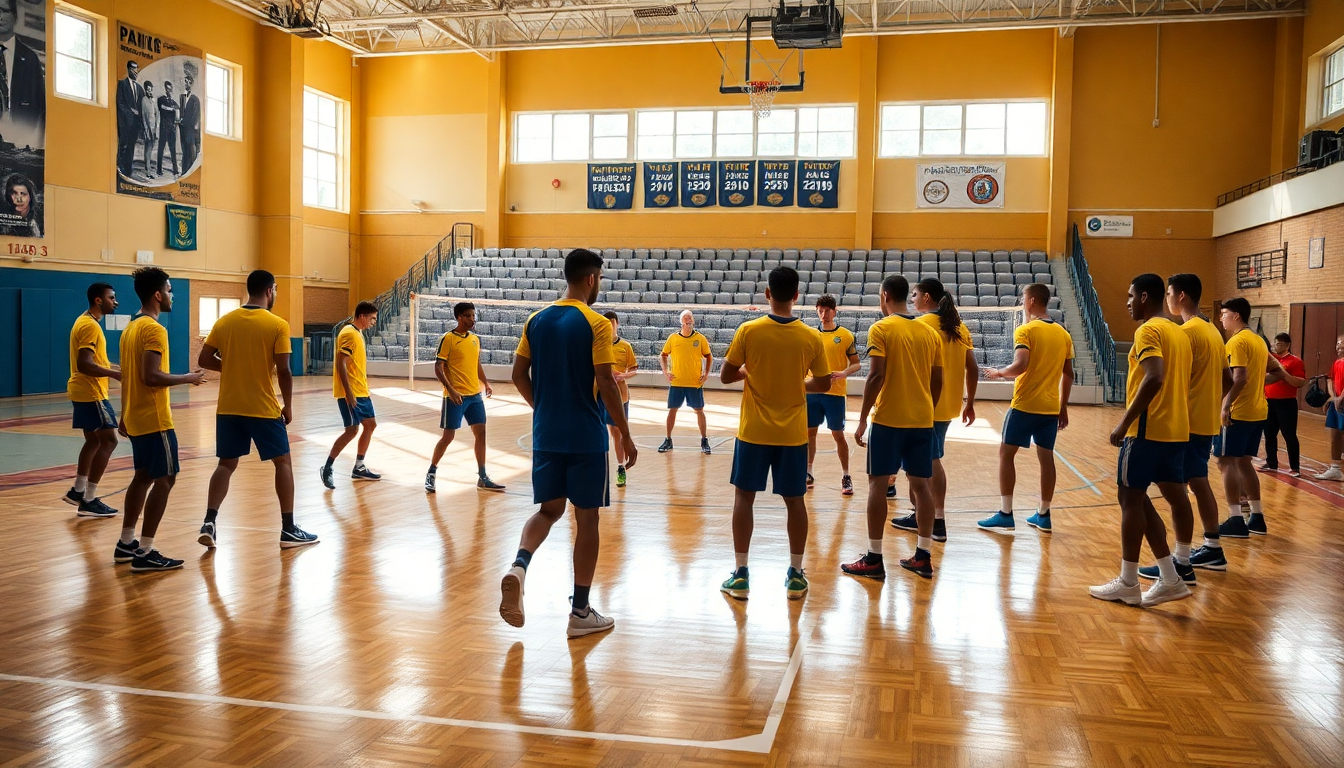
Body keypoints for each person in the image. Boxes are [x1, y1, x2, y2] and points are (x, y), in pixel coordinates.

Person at [498, 249, 637, 638]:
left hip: (546, 434)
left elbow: (518, 374)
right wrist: (625, 433)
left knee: (548, 510)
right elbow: (607, 382)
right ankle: (579, 612)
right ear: (592, 278)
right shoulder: (595, 323)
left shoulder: (536, 320)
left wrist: (543, 407)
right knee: (586, 519)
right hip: (586, 437)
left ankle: (519, 566)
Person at [719, 267, 831, 601]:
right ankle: (795, 576)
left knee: (744, 498)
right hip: (793, 435)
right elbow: (824, 383)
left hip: (753, 431)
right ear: (797, 295)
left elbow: (726, 376)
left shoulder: (749, 331)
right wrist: (799, 383)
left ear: (767, 293)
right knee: (795, 501)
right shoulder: (811, 337)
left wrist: (750, 371)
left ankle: (741, 575)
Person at [1090, 274, 1194, 606]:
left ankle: (1128, 582)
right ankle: (1169, 577)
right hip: (1175, 430)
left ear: (1145, 296)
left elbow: (1155, 377)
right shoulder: (1178, 333)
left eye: (1131, 296)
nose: (1128, 302)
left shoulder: (1148, 330)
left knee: (1129, 500)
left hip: (1148, 431)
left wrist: (1124, 421)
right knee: (1139, 500)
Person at [197, 270, 318, 549]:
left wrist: (232, 366)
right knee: (283, 462)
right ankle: (288, 529)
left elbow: (204, 358)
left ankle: (209, 521)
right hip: (262, 407)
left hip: (228, 407)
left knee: (226, 465)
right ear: (270, 290)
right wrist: (288, 405)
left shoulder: (225, 321)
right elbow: (285, 369)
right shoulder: (277, 324)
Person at [843, 275, 943, 580]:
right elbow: (937, 380)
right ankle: (922, 556)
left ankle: (874, 558)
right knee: (921, 486)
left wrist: (861, 419)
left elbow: (876, 376)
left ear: (885, 295)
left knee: (876, 484)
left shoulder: (882, 328)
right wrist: (927, 408)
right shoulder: (929, 332)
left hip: (888, 420)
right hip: (922, 419)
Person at [115, 267, 206, 572]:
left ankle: (126, 542)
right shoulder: (154, 330)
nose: (171, 295)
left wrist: (124, 412)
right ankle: (145, 551)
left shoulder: (130, 328)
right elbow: (150, 376)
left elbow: (128, 377)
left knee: (142, 478)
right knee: (166, 479)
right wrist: (188, 377)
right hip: (155, 419)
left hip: (136, 416)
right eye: (169, 289)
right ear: (157, 294)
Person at [978, 283, 1074, 533]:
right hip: (1050, 408)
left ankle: (1005, 513)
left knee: (1006, 454)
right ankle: (1043, 514)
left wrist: (998, 372)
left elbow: (1021, 365)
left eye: (1024, 297)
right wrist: (1063, 406)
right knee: (1046, 458)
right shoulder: (1063, 334)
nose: (1022, 301)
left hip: (1024, 405)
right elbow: (1069, 374)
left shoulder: (1026, 330)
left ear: (1031, 301)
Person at [892, 279, 978, 543]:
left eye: (915, 295)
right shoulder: (958, 327)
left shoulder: (920, 326)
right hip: (948, 405)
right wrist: (970, 402)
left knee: (930, 460)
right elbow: (972, 368)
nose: (912, 299)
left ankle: (937, 521)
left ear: (927, 297)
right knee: (928, 458)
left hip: (924, 404)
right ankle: (921, 514)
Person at [1157, 274, 1232, 573]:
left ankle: (1182, 560)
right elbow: (1227, 379)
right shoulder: (1213, 331)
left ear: (1182, 296)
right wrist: (1210, 401)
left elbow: (1172, 378)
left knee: (1179, 488)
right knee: (1198, 482)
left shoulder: (1187, 332)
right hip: (1204, 421)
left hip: (1186, 423)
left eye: (1169, 293)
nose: (1167, 299)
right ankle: (1212, 547)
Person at [426, 302, 505, 494]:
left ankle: (483, 477)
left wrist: (485, 383)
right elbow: (438, 367)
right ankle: (431, 472)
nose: (473, 319)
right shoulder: (448, 339)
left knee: (481, 434)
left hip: (474, 396)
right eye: (469, 316)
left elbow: (476, 363)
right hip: (455, 397)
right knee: (448, 437)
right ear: (459, 317)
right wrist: (451, 390)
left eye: (473, 315)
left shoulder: (475, 340)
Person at [1214, 298, 1274, 538]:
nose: (1221, 318)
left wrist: (1225, 405)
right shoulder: (1259, 340)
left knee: (1225, 462)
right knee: (1244, 462)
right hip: (1259, 410)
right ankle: (1257, 517)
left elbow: (1239, 378)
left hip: (1239, 411)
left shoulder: (1237, 341)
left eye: (1224, 313)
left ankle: (1236, 519)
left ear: (1236, 315)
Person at [64, 282, 122, 517]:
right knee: (110, 440)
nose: (115, 301)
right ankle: (89, 499)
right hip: (91, 392)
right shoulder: (90, 326)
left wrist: (120, 368)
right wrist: (114, 374)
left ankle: (78, 490)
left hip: (81, 391)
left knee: (94, 441)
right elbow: (85, 364)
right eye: (111, 297)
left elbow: (97, 361)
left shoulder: (84, 321)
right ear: (99, 300)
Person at [321, 301, 381, 489]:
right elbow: (341, 364)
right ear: (362, 316)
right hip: (352, 392)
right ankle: (327, 467)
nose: (373, 323)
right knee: (352, 430)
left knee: (370, 425)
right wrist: (348, 393)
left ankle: (359, 467)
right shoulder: (348, 333)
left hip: (361, 390)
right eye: (372, 319)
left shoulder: (357, 333)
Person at [805, 295, 860, 496]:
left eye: (827, 310)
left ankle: (846, 475)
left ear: (835, 312)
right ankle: (808, 471)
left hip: (835, 393)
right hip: (812, 391)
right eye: (820, 310)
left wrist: (844, 373)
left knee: (838, 434)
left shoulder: (845, 335)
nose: (824, 314)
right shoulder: (810, 335)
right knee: (809, 433)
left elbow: (856, 363)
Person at [659, 310, 712, 454]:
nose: (688, 320)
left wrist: (706, 373)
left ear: (693, 321)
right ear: (681, 322)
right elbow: (663, 355)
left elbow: (708, 356)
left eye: (690, 318)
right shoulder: (673, 338)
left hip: (694, 383)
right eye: (685, 318)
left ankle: (704, 440)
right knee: (672, 411)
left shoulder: (700, 339)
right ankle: (668, 439)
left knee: (699, 411)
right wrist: (665, 371)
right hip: (677, 382)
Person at [1260, 333, 1307, 477]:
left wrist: (1281, 373)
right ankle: (1271, 463)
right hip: (1269, 401)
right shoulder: (1269, 358)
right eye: (1275, 343)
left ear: (1287, 345)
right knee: (1269, 434)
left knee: (1289, 435)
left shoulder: (1295, 361)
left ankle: (1295, 467)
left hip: (1286, 402)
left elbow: (1299, 382)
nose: (1276, 346)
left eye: (1279, 344)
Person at [604, 311, 639, 488]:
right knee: (610, 432)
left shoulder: (625, 346)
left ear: (617, 324)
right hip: (602, 395)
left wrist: (623, 375)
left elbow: (634, 369)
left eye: (612, 323)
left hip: (620, 396)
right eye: (607, 323)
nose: (610, 326)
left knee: (617, 432)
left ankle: (620, 468)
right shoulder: (598, 345)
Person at [0, 0, 45, 131]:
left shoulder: (30, 58)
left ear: (14, 16)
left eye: (4, 11)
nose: (0, 16)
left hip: (21, 132)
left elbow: (39, 105)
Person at [1313, 335, 1344, 481]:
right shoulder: (1337, 362)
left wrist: (1341, 398)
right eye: (1337, 343)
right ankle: (1335, 469)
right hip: (1337, 403)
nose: (1339, 345)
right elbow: (1330, 379)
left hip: (1342, 402)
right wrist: (1332, 398)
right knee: (1335, 435)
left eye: (1342, 343)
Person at [115, 61, 143, 177]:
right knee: (123, 145)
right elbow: (120, 103)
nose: (135, 72)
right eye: (133, 69)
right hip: (126, 122)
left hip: (135, 124)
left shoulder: (139, 88)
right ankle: (120, 167)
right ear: (128, 69)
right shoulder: (122, 84)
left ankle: (128, 169)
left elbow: (141, 107)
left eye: (136, 69)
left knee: (131, 146)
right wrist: (131, 112)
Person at [155, 81, 180, 177]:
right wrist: (171, 109)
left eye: (170, 89)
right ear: (165, 89)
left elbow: (177, 110)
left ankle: (175, 170)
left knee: (172, 149)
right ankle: (159, 169)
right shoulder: (161, 99)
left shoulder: (174, 102)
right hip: (164, 128)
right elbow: (162, 107)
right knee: (161, 148)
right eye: (168, 89)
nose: (169, 91)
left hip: (172, 129)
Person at [178, 75, 202, 172]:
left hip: (191, 130)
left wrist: (187, 124)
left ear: (191, 83)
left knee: (191, 151)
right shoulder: (182, 97)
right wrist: (180, 121)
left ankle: (190, 171)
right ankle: (184, 171)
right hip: (183, 129)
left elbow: (195, 116)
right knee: (184, 151)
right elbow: (181, 112)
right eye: (185, 81)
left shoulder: (195, 99)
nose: (186, 83)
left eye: (188, 81)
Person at [138, 82, 159, 178]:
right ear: (145, 90)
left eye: (151, 89)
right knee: (148, 148)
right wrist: (146, 129)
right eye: (148, 89)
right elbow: (143, 115)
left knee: (151, 147)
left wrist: (156, 127)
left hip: (154, 127)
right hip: (148, 128)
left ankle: (148, 166)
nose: (149, 91)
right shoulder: (144, 100)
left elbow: (156, 113)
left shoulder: (153, 100)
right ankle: (148, 169)